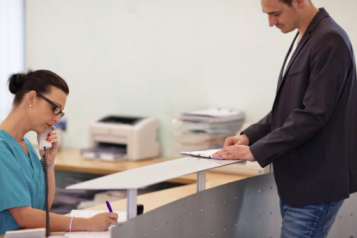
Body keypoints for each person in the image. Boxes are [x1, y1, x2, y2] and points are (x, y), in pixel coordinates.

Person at [213, 0, 357, 237]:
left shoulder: (330, 40)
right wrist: (250, 136)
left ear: (299, 1)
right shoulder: (307, 36)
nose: (271, 23)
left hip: (316, 183)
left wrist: (257, 151)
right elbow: (289, 108)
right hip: (299, 182)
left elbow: (313, 114)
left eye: (275, 14)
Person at [0, 70, 118, 235]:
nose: (57, 119)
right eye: (54, 109)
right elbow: (24, 216)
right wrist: (88, 224)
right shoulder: (2, 148)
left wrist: (49, 163)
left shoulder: (26, 145)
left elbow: (43, 208)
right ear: (31, 98)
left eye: (60, 112)